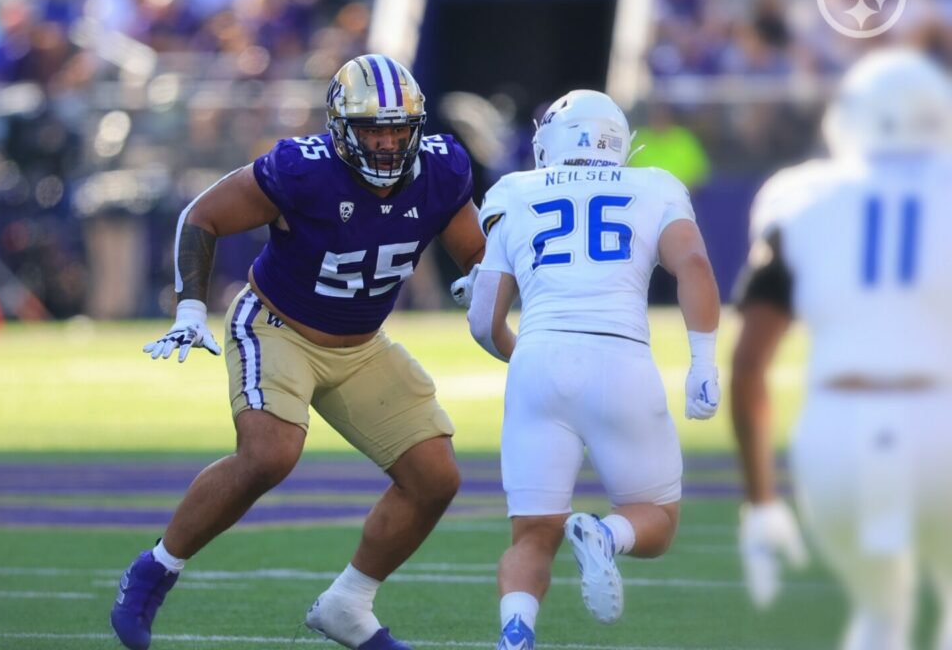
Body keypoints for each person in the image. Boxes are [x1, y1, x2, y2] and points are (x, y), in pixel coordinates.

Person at [110, 54, 485, 650]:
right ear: (341, 129)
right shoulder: (301, 170)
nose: (388, 143)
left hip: (362, 345)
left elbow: (473, 253)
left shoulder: (442, 168)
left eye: (398, 129)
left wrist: (483, 284)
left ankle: (348, 605)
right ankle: (157, 566)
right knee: (270, 453)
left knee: (435, 476)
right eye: (372, 129)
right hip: (277, 326)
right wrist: (188, 306)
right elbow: (201, 215)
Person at [466, 90, 721, 649]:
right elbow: (694, 264)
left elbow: (485, 321)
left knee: (532, 533)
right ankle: (606, 534)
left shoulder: (514, 190)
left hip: (538, 361)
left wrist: (530, 354)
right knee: (656, 520)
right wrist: (703, 360)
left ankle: (516, 634)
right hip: (619, 360)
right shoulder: (653, 185)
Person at [731, 48, 952, 650]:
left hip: (837, 435)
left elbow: (750, 364)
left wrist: (760, 502)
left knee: (880, 615)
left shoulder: (799, 197)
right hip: (940, 425)